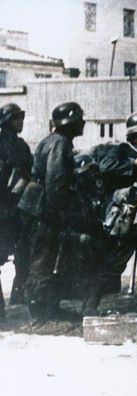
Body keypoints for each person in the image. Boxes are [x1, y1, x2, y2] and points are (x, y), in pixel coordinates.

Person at [80, 111, 137, 316]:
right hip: (124, 220)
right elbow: (106, 166)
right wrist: (133, 164)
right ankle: (89, 306)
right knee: (114, 263)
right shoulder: (120, 150)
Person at [22, 102, 85, 321]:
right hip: (46, 209)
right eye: (79, 119)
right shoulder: (59, 144)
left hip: (39, 206)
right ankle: (39, 314)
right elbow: (56, 181)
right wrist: (60, 214)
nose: (83, 122)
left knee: (47, 257)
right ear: (70, 123)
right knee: (44, 258)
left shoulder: (54, 140)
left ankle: (47, 307)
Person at [0, 103, 32, 320]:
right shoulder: (7, 144)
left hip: (16, 208)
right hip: (7, 208)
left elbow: (28, 170)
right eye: (16, 118)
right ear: (6, 121)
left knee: (23, 255)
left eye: (21, 117)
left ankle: (17, 301)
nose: (20, 122)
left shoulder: (20, 144)